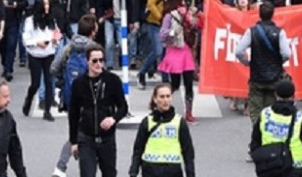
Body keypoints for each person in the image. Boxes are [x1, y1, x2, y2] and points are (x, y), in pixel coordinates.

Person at [68, 43, 129, 177]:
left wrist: (113, 118)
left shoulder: (112, 80)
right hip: (86, 137)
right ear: (87, 61)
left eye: (101, 60)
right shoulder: (79, 83)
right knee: (87, 173)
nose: (98, 64)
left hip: (107, 138)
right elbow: (73, 113)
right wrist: (73, 141)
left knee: (109, 173)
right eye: (94, 61)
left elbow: (123, 107)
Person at [51, 14, 97, 177]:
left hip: (71, 97)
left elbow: (53, 68)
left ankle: (72, 161)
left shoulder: (69, 47)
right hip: (90, 98)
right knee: (81, 133)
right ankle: (61, 166)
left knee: (78, 130)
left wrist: (64, 80)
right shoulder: (94, 48)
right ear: (92, 31)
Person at [235, 1, 291, 123]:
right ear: (273, 14)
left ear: (259, 14)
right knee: (272, 111)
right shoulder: (279, 32)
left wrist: (247, 62)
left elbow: (238, 51)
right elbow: (287, 53)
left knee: (256, 112)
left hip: (257, 76)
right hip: (274, 77)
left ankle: (257, 135)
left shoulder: (252, 31)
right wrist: (279, 62)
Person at [250, 79, 302, 177]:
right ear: (293, 96)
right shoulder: (301, 119)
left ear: (276, 95)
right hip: (293, 168)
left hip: (268, 166)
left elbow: (255, 141)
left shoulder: (265, 114)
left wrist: (260, 161)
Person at [129, 82, 196, 177]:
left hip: (172, 171)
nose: (166, 100)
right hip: (150, 170)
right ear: (155, 99)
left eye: (168, 96)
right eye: (162, 97)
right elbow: (138, 149)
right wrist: (133, 172)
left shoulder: (179, 122)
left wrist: (191, 174)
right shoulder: (147, 122)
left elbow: (188, 152)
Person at [157, 0, 200, 125]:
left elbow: (162, 35)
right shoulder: (179, 14)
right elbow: (196, 26)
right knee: (186, 85)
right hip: (182, 51)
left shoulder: (170, 16)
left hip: (176, 51)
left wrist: (172, 32)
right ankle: (188, 113)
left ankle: (164, 106)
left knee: (176, 84)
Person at [22, 0, 61, 121]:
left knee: (49, 81)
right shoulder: (30, 21)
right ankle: (29, 98)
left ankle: (47, 111)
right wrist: (36, 43)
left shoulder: (52, 20)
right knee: (36, 83)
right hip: (35, 54)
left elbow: (56, 34)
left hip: (49, 54)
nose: (47, 7)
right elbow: (26, 39)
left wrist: (55, 41)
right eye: (44, 4)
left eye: (48, 4)